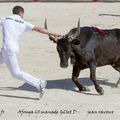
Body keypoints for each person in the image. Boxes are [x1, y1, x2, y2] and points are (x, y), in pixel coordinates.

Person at [0, 6, 60, 97]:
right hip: (12, 48)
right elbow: (39, 29)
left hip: (8, 49)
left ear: (13, 12)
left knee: (16, 73)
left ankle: (39, 83)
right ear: (21, 13)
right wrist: (56, 33)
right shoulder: (23, 22)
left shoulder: (5, 18)